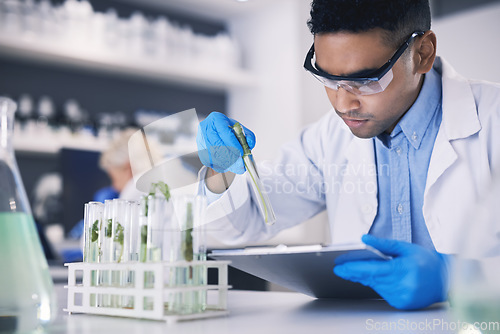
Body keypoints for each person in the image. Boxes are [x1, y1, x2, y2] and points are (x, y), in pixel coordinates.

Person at [196, 0, 500, 310]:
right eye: (327, 78)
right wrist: (220, 168)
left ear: (422, 53)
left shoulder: (493, 120)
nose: (343, 104)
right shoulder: (328, 138)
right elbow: (241, 223)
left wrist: (455, 278)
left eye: (366, 80)